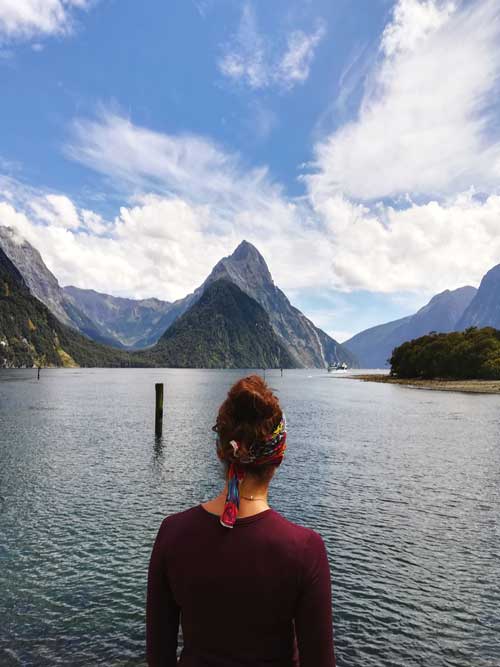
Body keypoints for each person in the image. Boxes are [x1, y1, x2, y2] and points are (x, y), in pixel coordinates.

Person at [146, 374, 336, 666]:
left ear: (220, 450)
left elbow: (159, 657)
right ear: (279, 454)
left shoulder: (172, 533)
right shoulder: (304, 549)